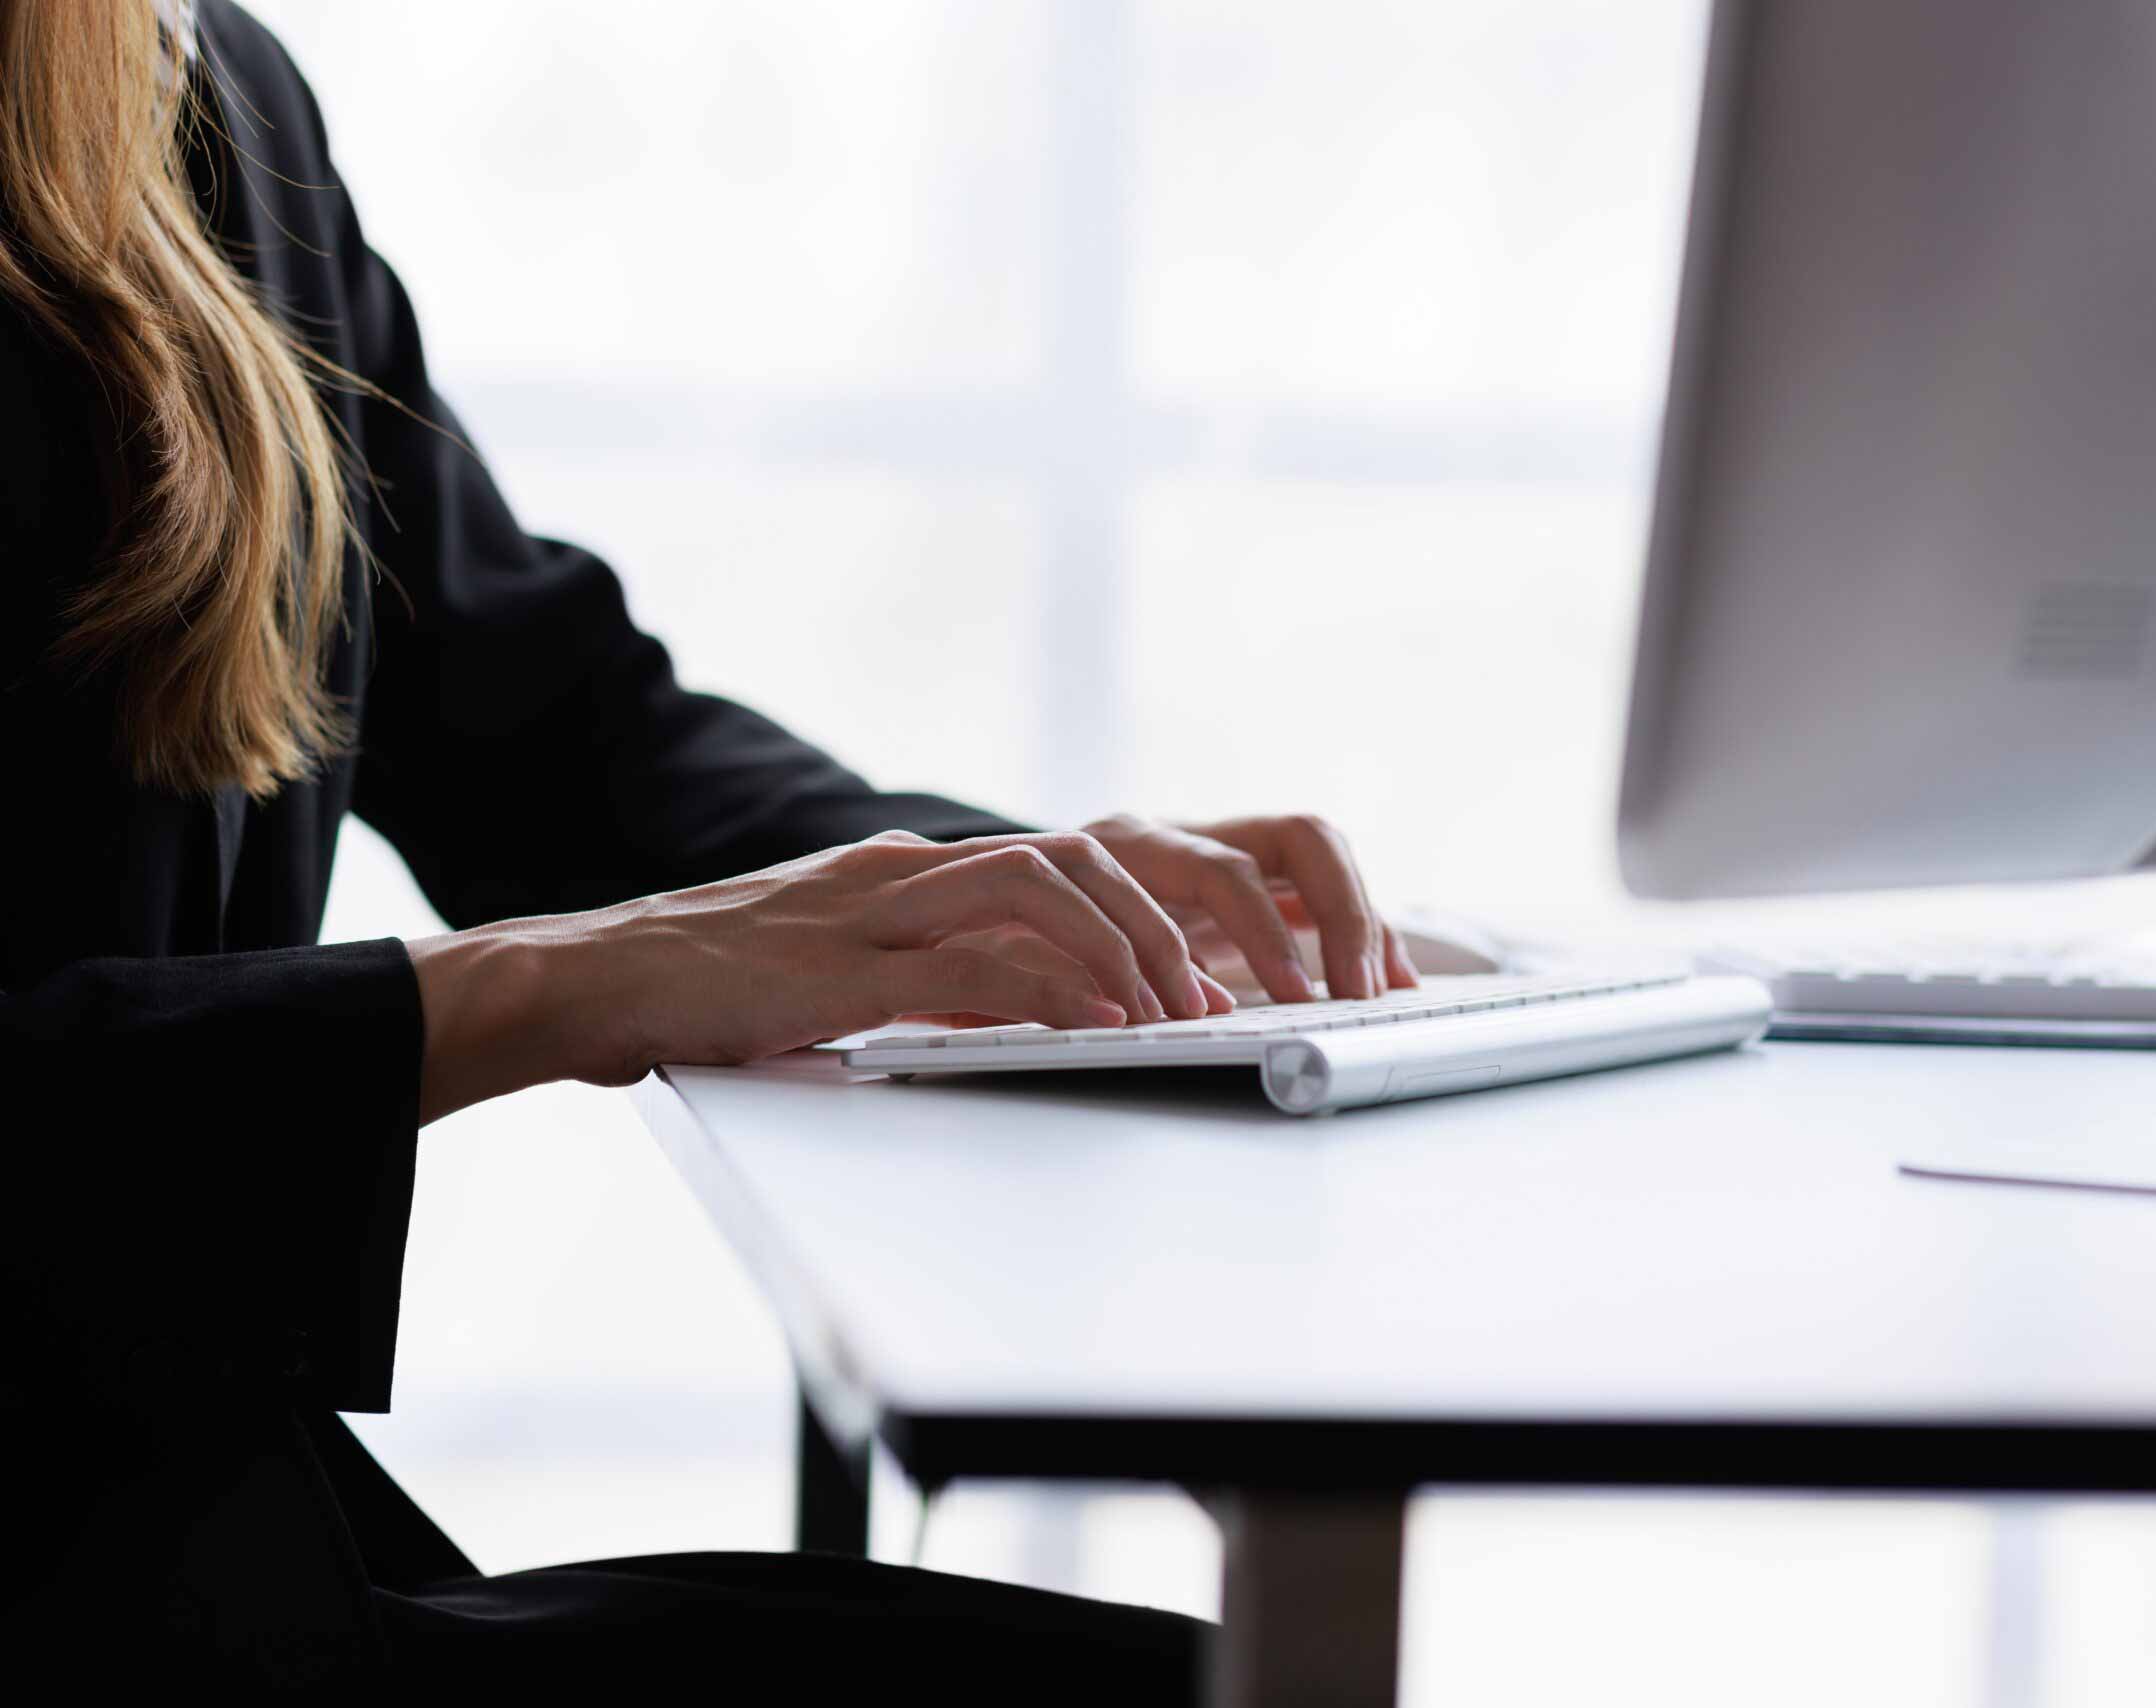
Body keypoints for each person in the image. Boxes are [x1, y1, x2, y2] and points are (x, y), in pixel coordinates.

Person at [0, 1, 1418, 1692]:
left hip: (199, 1537)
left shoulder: (201, 80)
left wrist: (1020, 894)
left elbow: (543, 716)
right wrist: (527, 992)